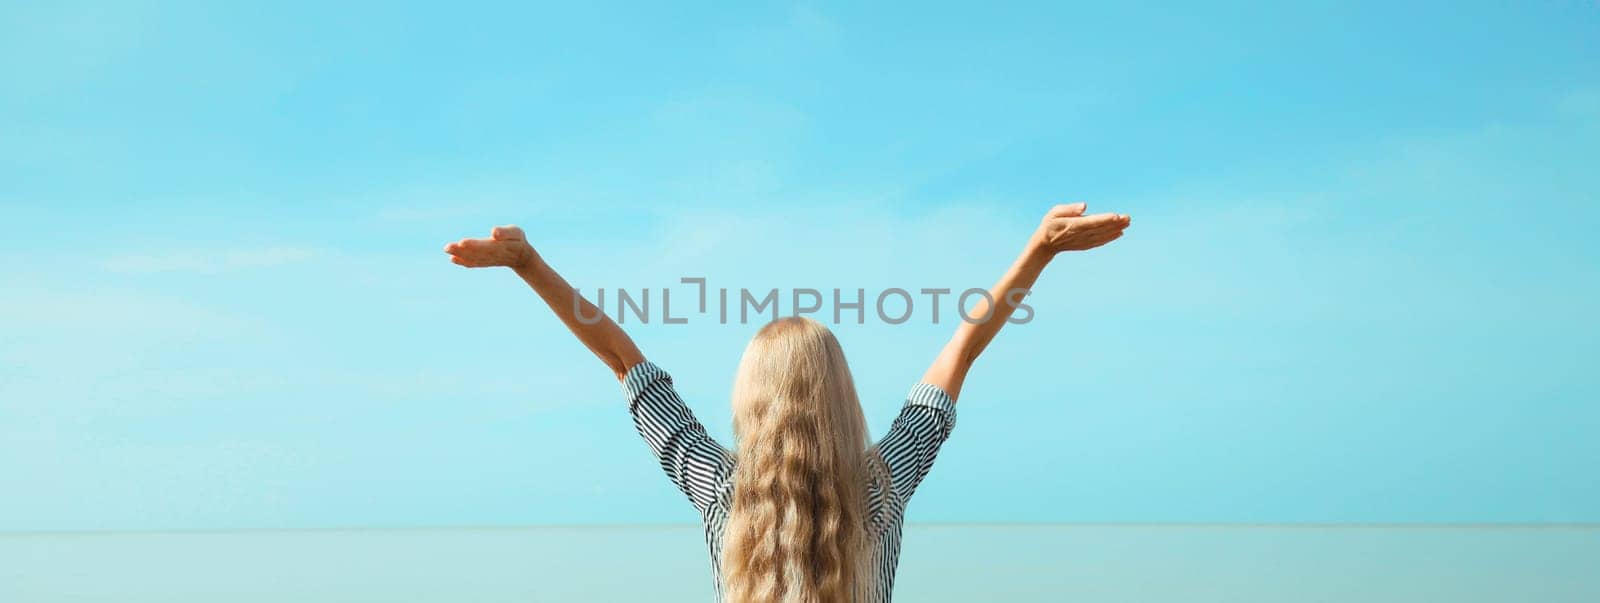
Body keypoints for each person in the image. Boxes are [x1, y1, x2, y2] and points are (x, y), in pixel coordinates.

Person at [443, 203, 1131, 602]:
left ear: (750, 401)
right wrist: (1037, 251)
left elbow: (625, 360)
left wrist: (528, 265)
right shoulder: (879, 488)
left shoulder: (722, 490)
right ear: (841, 394)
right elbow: (959, 352)